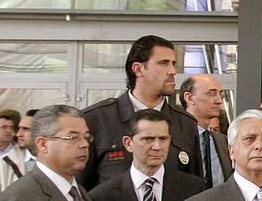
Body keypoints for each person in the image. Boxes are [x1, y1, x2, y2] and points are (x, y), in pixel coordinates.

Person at [81, 34, 203, 189]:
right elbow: (81, 188)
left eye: (173, 63)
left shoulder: (185, 123)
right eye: (163, 63)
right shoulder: (97, 119)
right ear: (138, 69)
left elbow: (195, 187)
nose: (172, 71)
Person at [182, 73, 233, 188]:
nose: (219, 101)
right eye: (211, 94)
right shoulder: (175, 138)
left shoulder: (223, 141)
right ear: (189, 98)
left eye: (220, 94)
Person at [0, 108, 35, 200]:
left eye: (25, 129)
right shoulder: (1, 164)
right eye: (19, 128)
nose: (18, 134)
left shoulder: (64, 164)